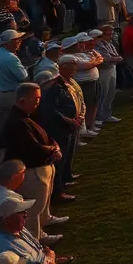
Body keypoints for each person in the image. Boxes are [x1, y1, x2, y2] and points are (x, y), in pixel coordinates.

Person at [2, 83, 63, 240]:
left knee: (43, 202)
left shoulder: (26, 116)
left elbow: (43, 134)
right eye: (35, 99)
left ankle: (45, 220)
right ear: (22, 99)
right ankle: (37, 239)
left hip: (41, 166)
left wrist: (53, 144)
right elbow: (32, 148)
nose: (38, 102)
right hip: (32, 170)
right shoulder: (16, 121)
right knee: (34, 209)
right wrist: (53, 150)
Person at [0, 198, 68, 264]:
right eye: (20, 212)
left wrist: (45, 257)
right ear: (5, 220)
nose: (26, 214)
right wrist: (49, 260)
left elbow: (36, 247)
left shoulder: (16, 227)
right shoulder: (5, 249)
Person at [39, 58, 82, 201]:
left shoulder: (60, 86)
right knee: (60, 158)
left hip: (68, 125)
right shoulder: (50, 90)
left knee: (68, 154)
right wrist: (69, 120)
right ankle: (58, 191)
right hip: (58, 128)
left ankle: (65, 179)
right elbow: (51, 111)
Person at [0, 31, 30, 131]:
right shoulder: (11, 58)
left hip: (0, 95)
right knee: (17, 126)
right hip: (13, 96)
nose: (20, 42)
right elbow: (25, 79)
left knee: (3, 124)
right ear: (10, 42)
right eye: (17, 40)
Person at [91, 27, 122, 126]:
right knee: (103, 93)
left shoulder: (108, 43)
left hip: (112, 68)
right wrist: (114, 58)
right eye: (99, 36)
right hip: (103, 71)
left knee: (111, 92)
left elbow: (114, 55)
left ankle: (107, 114)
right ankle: (100, 116)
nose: (102, 37)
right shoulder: (95, 47)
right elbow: (103, 58)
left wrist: (114, 58)